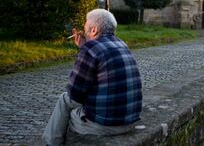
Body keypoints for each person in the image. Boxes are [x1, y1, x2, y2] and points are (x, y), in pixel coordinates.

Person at [42, 9, 143, 146]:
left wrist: (84, 49)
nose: (83, 31)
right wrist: (84, 48)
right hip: (129, 121)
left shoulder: (91, 48)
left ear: (94, 30)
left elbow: (75, 94)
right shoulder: (121, 44)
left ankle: (50, 143)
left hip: (106, 126)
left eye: (85, 27)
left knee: (64, 100)